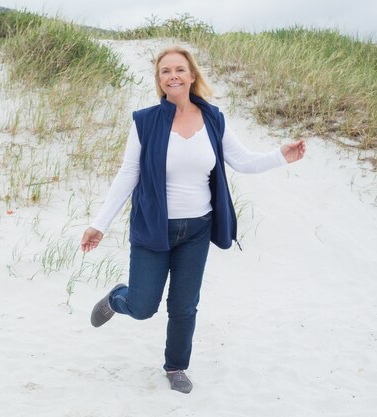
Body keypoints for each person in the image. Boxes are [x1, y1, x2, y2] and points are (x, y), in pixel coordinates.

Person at [80, 46, 306, 394]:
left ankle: (176, 367)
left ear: (192, 75)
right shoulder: (145, 122)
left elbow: (242, 161)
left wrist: (280, 156)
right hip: (154, 230)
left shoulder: (214, 118)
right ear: (159, 80)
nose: (173, 75)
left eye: (180, 69)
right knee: (142, 307)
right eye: (165, 71)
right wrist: (100, 223)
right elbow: (128, 174)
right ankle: (116, 299)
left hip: (196, 230)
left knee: (184, 307)